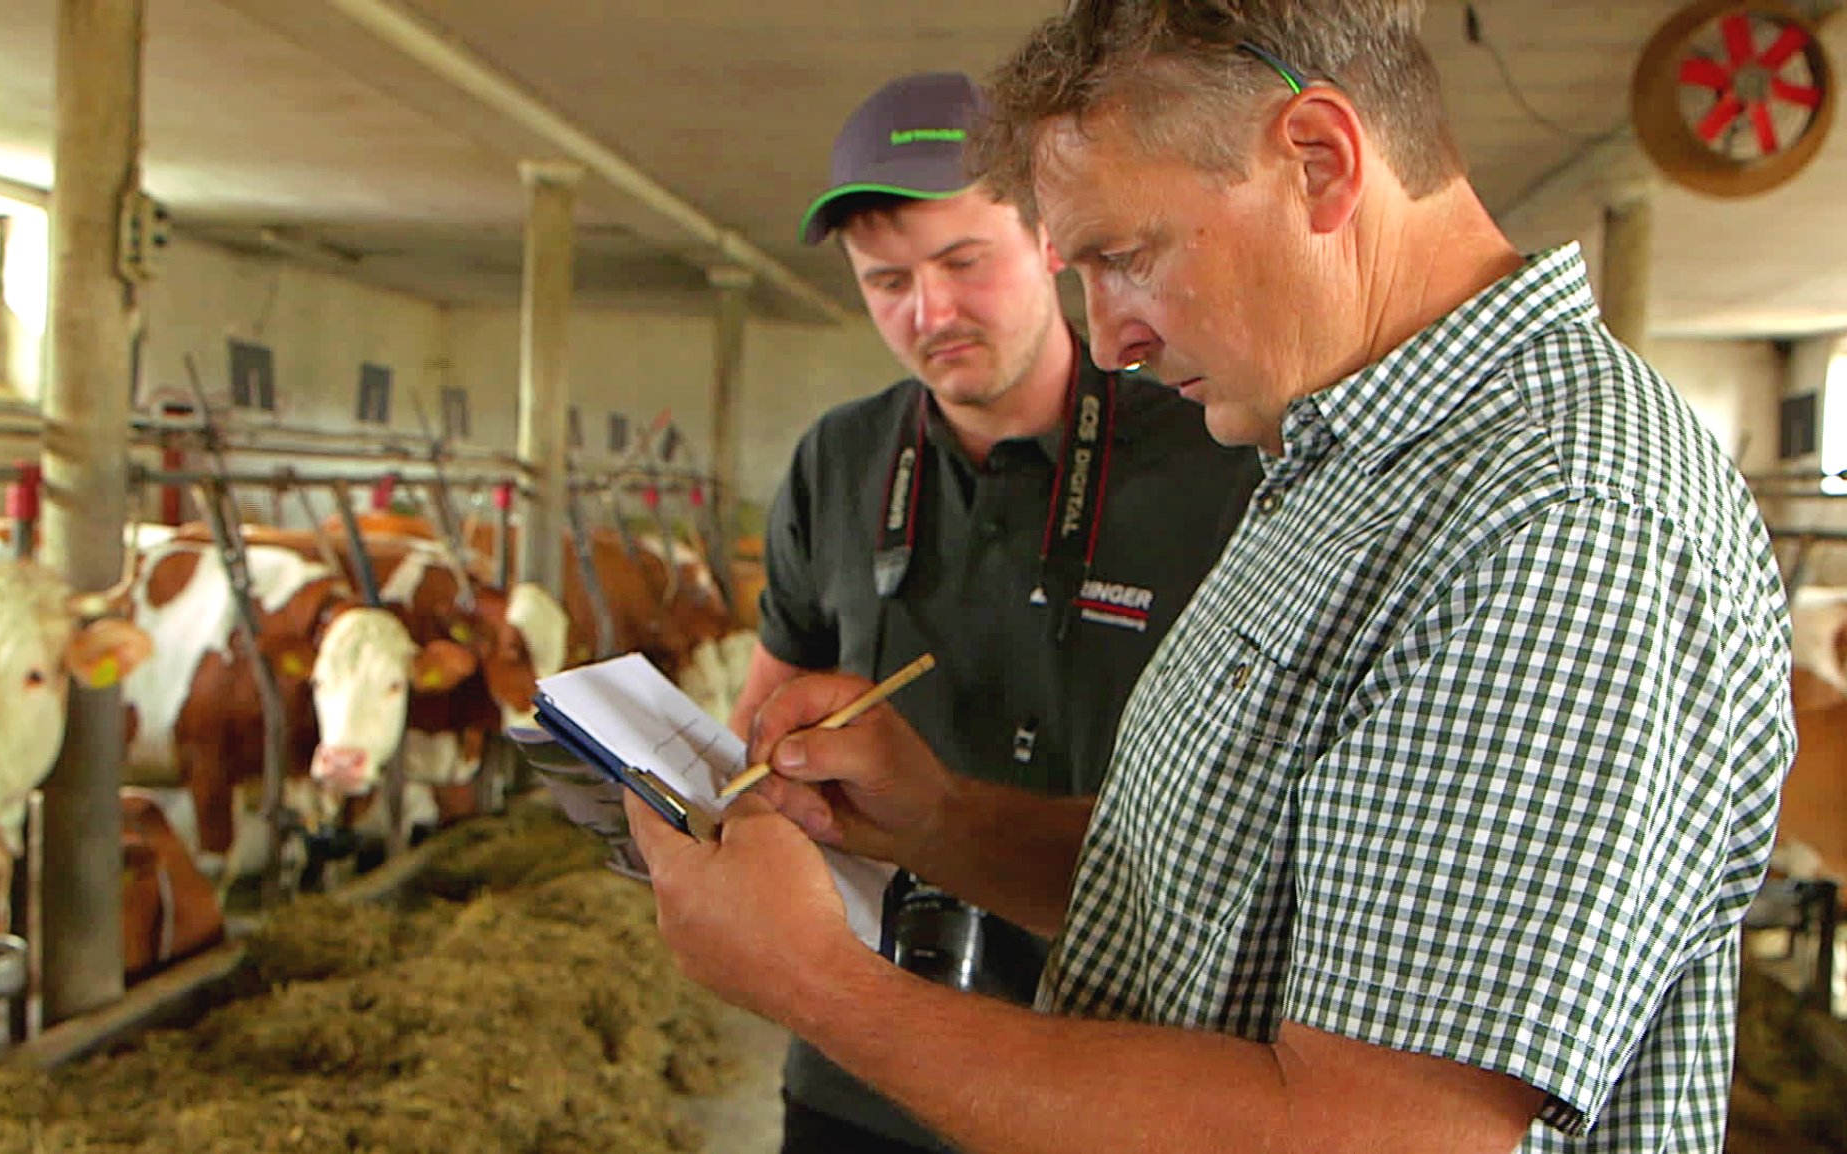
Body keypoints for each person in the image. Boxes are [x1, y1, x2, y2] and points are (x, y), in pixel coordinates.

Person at [628, 4, 1797, 1153]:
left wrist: (819, 983)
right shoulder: (1337, 456)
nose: (1109, 336)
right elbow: (1214, 899)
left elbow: (1364, 1129)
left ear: (1318, 162)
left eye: (1125, 257)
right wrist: (940, 819)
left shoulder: (1559, 524)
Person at [727, 70, 1260, 1153]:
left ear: (1051, 239)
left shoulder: (1215, 455)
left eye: (961, 263)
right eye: (885, 283)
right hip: (861, 1061)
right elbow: (765, 706)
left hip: (1119, 1064)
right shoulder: (837, 461)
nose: (929, 314)